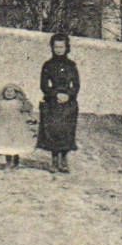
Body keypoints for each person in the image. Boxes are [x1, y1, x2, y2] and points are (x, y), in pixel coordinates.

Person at [37, 32, 80, 174]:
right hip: (53, 103)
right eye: (56, 47)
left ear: (67, 47)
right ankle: (54, 159)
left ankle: (64, 159)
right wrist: (54, 95)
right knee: (54, 130)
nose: (59, 49)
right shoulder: (48, 65)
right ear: (52, 47)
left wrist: (69, 95)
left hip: (68, 104)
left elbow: (76, 85)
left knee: (66, 130)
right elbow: (43, 85)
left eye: (61, 47)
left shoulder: (71, 65)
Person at [0, 83, 34, 168]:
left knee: (16, 145)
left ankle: (16, 161)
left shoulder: (18, 102)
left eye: (12, 91)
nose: (9, 93)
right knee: (7, 146)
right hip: (4, 127)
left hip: (16, 127)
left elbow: (28, 107)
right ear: (3, 92)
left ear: (16, 93)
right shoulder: (1, 102)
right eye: (7, 91)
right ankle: (8, 162)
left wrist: (24, 99)